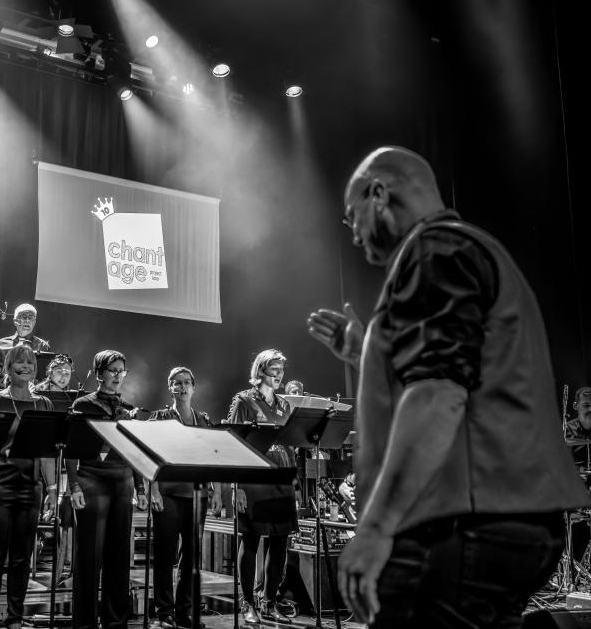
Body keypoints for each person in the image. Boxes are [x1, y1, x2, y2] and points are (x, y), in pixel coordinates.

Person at [306, 145, 589, 627]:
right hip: (507, 519)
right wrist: (364, 351)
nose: (352, 233)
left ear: (379, 193)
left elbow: (437, 394)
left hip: (463, 522)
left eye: (352, 216)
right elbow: (467, 374)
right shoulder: (467, 249)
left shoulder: (434, 250)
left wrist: (375, 528)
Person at [0, 344, 57, 629]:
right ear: (8, 367)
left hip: (29, 487)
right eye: (19, 362)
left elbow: (47, 452)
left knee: (22, 558)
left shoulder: (43, 404)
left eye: (30, 362)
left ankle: (15, 618)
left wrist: (53, 490)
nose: (25, 366)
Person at [67, 349, 148, 629]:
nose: (117, 375)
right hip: (91, 479)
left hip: (122, 481)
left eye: (121, 371)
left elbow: (134, 452)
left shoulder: (128, 409)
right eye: (112, 370)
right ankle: (85, 623)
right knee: (90, 556)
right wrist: (73, 485)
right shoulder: (83, 404)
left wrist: (140, 487)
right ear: (99, 374)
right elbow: (70, 448)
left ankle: (116, 622)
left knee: (119, 556)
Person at [226, 349, 298, 624]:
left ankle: (269, 602)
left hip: (281, 479)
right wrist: (238, 487)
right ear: (260, 370)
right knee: (251, 540)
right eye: (274, 369)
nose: (279, 374)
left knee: (280, 542)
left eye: (281, 370)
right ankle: (248, 603)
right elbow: (232, 443)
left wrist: (294, 481)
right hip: (253, 479)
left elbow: (289, 445)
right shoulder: (243, 400)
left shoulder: (284, 405)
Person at [148, 366, 222, 629]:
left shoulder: (203, 420)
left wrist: (216, 490)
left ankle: (184, 612)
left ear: (194, 387)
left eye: (186, 382)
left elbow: (212, 457)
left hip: (197, 495)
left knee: (191, 557)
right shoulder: (160, 418)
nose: (182, 387)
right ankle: (164, 612)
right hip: (167, 494)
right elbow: (149, 455)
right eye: (176, 383)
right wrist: (153, 489)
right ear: (170, 387)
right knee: (165, 554)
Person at [0, 303, 50, 385]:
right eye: (23, 317)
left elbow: (46, 377)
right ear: (15, 321)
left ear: (34, 322)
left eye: (31, 317)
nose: (27, 320)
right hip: (3, 390)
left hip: (30, 391)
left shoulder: (42, 345)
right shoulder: (2, 344)